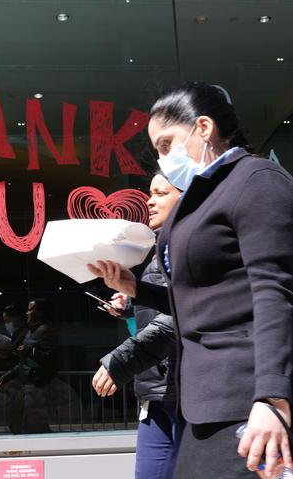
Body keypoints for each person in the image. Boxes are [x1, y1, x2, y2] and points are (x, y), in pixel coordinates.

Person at [87, 82, 293, 479]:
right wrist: (136, 288)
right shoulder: (203, 198)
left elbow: (275, 292)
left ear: (203, 127)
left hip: (246, 395)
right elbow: (199, 300)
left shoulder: (257, 181)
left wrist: (273, 396)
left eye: (167, 145)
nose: (164, 160)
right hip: (202, 399)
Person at [93, 171, 184, 479]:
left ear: (186, 197)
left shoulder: (187, 251)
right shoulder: (161, 250)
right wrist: (129, 304)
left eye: (160, 193)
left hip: (183, 393)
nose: (149, 200)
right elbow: (165, 304)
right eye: (150, 193)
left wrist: (120, 362)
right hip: (157, 391)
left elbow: (178, 317)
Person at [0, 298, 58, 433]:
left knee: (32, 423)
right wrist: (9, 375)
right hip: (28, 385)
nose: (28, 313)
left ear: (41, 312)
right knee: (18, 422)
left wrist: (27, 352)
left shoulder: (46, 330)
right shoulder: (32, 331)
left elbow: (47, 360)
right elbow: (28, 361)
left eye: (31, 309)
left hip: (38, 386)